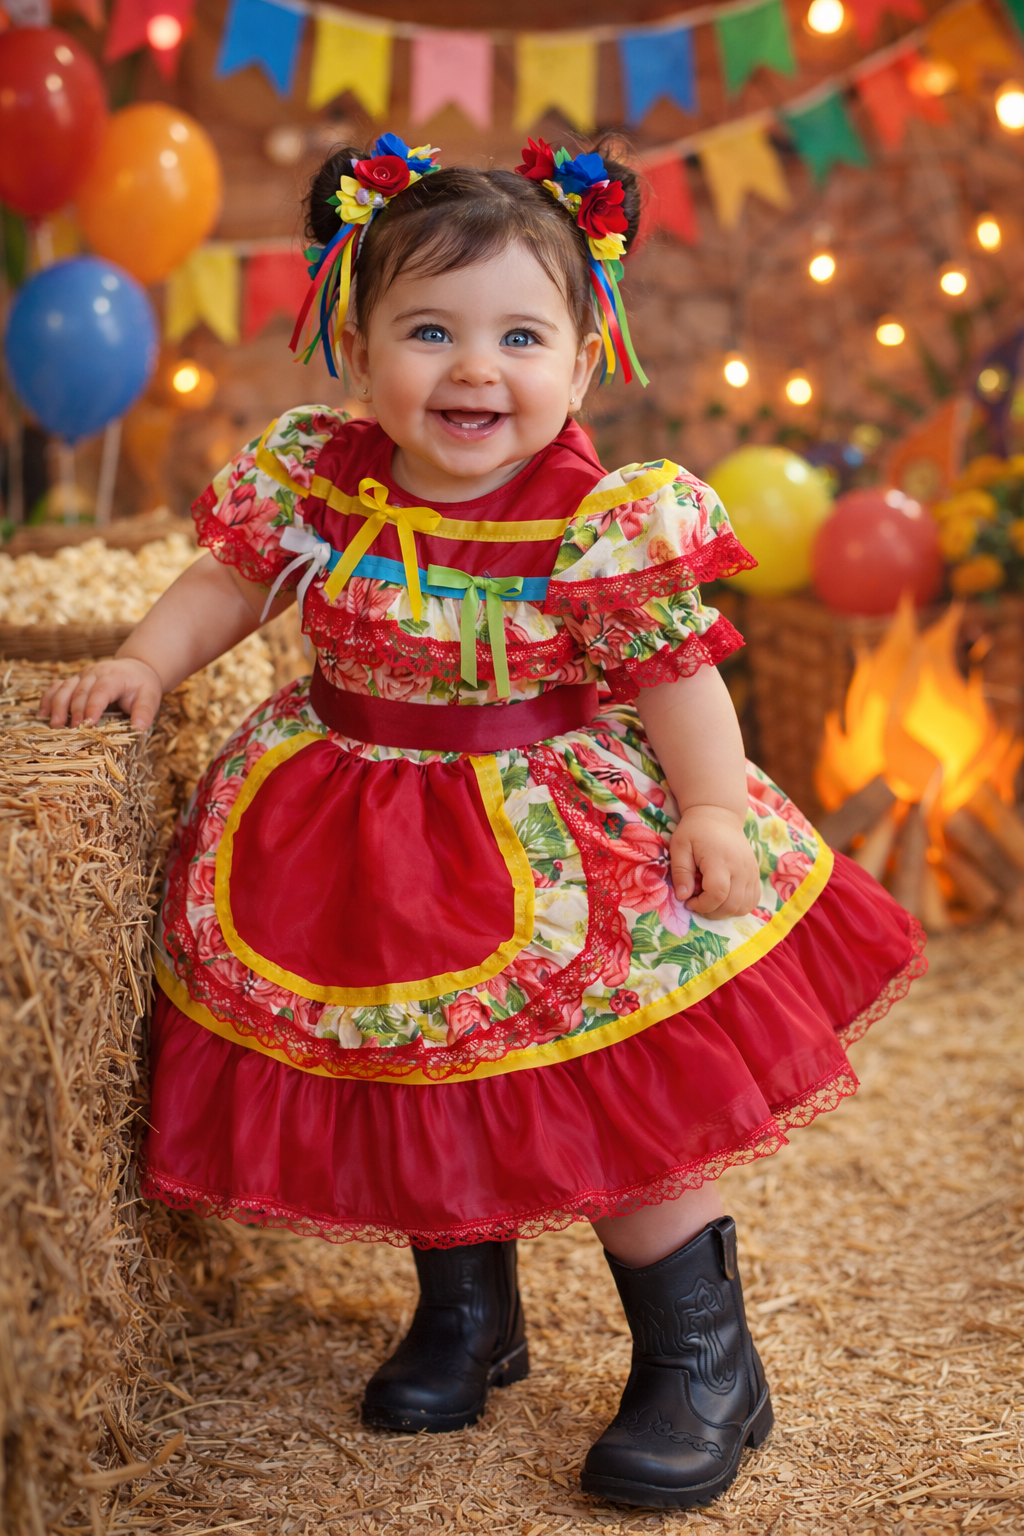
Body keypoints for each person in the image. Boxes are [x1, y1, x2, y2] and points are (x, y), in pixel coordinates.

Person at [40, 134, 924, 1511]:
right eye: (429, 331)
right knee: (418, 1074)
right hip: (359, 825)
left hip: (549, 831)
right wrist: (149, 661)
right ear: (357, 346)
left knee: (619, 1097)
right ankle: (467, 1312)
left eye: (520, 336)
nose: (473, 369)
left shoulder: (597, 517)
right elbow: (230, 580)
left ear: (582, 362)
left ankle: (700, 1359)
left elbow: (677, 679)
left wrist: (708, 805)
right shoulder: (324, 476)